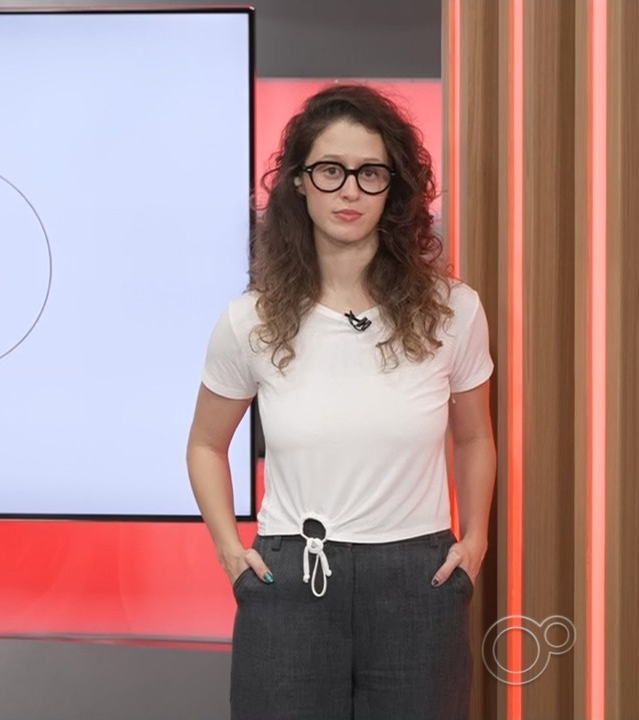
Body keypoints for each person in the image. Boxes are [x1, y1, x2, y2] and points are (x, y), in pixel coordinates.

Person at [185, 83, 497, 720]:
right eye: (330, 170)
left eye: (370, 172)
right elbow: (205, 445)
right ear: (299, 182)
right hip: (289, 578)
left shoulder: (453, 310)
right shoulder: (251, 321)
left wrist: (476, 541)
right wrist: (229, 553)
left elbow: (474, 437)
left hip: (420, 577)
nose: (349, 191)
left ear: (394, 188)